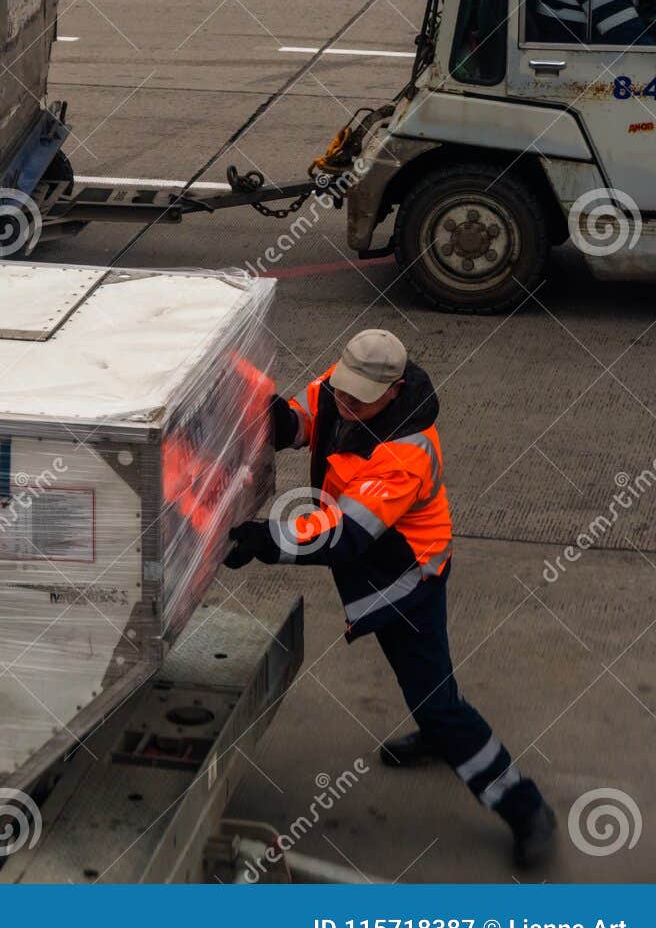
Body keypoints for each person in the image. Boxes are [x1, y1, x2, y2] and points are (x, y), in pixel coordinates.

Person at [223, 329, 557, 868]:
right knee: (428, 686)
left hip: (408, 580)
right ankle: (436, 730)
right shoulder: (344, 387)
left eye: (360, 400)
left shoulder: (407, 454)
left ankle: (524, 807)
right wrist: (271, 418)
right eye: (343, 393)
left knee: (438, 702)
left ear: (395, 390)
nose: (346, 406)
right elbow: (304, 419)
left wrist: (268, 539)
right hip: (381, 567)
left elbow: (345, 533)